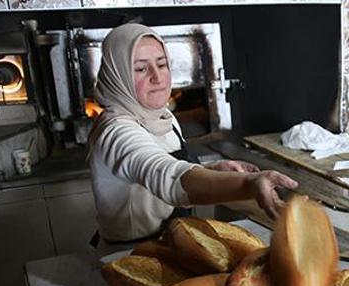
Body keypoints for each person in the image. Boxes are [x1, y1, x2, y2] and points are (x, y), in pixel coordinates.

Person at [87, 23, 297, 246]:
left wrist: (214, 170)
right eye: (141, 69)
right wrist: (249, 183)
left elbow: (170, 168)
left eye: (162, 64)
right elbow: (167, 175)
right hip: (132, 254)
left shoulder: (161, 115)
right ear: (117, 75)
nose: (157, 78)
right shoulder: (117, 131)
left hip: (172, 240)